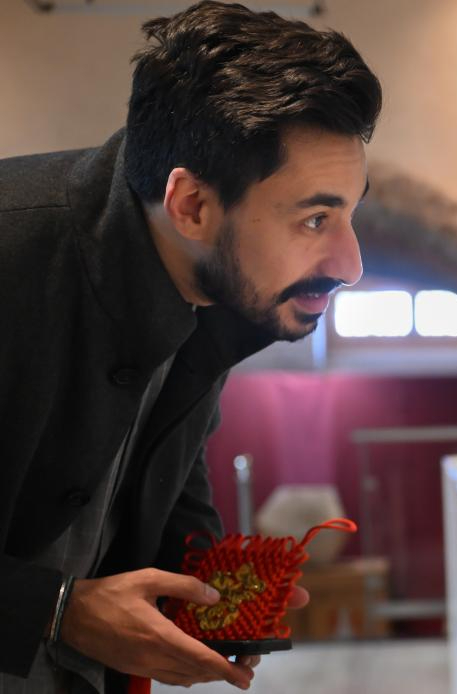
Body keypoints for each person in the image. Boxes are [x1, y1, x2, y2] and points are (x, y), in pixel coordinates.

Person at [0, 2, 382, 691]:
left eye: (350, 214)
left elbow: (163, 472)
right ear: (192, 206)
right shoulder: (14, 252)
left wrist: (212, 590)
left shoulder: (213, 292)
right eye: (315, 219)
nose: (351, 264)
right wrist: (57, 611)